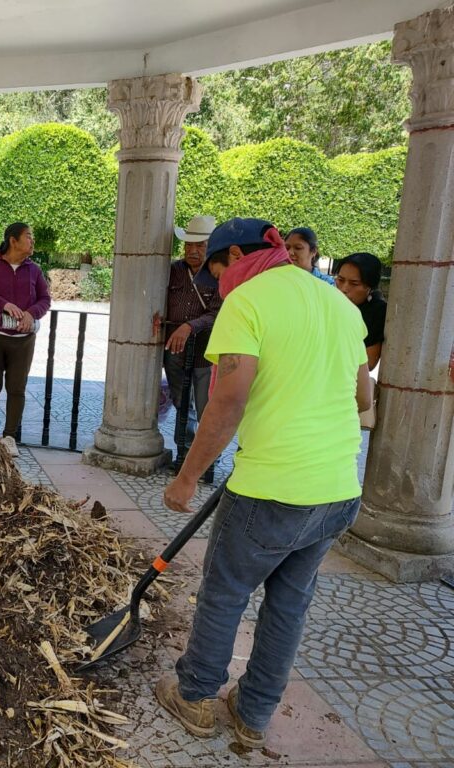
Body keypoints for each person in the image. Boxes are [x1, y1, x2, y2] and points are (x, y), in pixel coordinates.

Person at [157, 218, 372, 749]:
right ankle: (254, 713)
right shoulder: (339, 304)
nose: (219, 285)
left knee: (225, 592)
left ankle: (195, 695)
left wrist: (186, 479)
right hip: (337, 488)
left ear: (235, 256)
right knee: (290, 603)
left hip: (271, 489)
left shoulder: (247, 302)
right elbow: (363, 398)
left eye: (217, 272)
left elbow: (227, 401)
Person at [0, 222, 51, 457]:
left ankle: (10, 437)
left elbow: (45, 299)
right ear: (13, 241)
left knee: (17, 388)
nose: (32, 241)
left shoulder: (34, 270)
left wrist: (31, 313)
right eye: (28, 236)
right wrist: (2, 304)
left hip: (23, 340)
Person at [164, 215, 222, 479]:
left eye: (200, 245)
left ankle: (206, 462)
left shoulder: (218, 274)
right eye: (189, 245)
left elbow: (217, 312)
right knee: (181, 404)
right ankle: (184, 455)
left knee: (207, 409)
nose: (193, 250)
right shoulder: (174, 270)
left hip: (205, 353)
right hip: (176, 351)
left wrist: (190, 326)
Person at [335, 251, 387, 372]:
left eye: (354, 283)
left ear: (370, 286)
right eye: (340, 280)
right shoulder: (327, 301)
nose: (344, 288)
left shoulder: (377, 312)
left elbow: (369, 363)